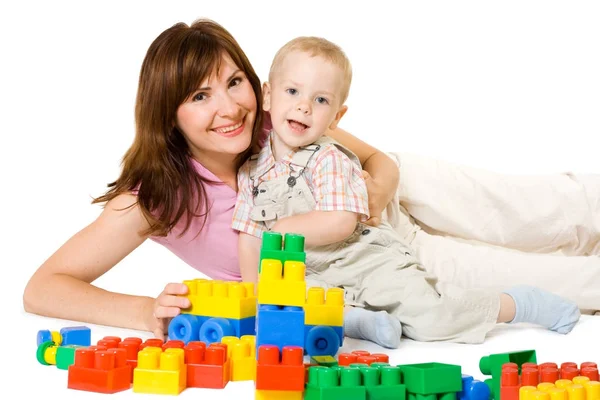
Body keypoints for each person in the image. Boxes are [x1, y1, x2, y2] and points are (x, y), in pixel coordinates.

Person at [22, 19, 400, 339]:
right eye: (201, 96)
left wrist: (379, 191)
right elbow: (42, 289)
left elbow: (379, 160)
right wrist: (145, 312)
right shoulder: (157, 199)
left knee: (431, 186)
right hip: (341, 291)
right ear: (169, 114)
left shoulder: (278, 124)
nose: (231, 108)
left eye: (235, 82)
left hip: (385, 232)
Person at [232, 36, 581, 348]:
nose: (304, 106)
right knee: (293, 310)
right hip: (313, 276)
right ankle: (361, 322)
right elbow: (248, 238)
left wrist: (276, 232)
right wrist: (256, 300)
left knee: (430, 317)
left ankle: (517, 304)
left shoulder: (328, 159)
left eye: (320, 99)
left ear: (336, 117)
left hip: (362, 261)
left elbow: (339, 222)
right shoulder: (251, 173)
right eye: (292, 91)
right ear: (267, 96)